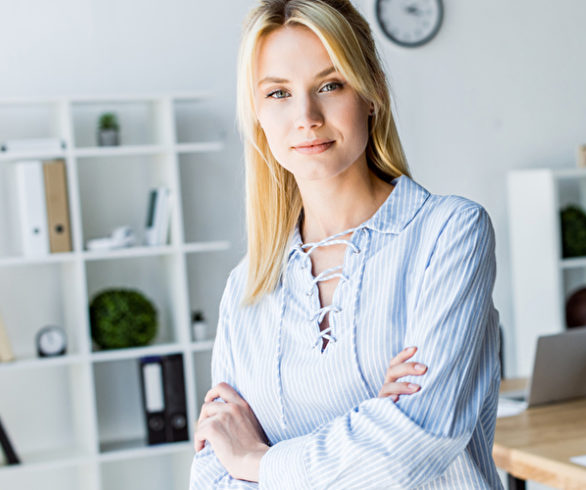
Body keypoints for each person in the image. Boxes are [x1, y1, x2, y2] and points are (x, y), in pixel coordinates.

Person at [188, 0, 502, 488]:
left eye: (329, 85)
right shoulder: (245, 289)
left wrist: (256, 460)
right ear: (256, 114)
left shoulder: (449, 233)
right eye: (278, 93)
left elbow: (414, 444)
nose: (306, 116)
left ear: (372, 91)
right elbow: (211, 477)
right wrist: (371, 423)